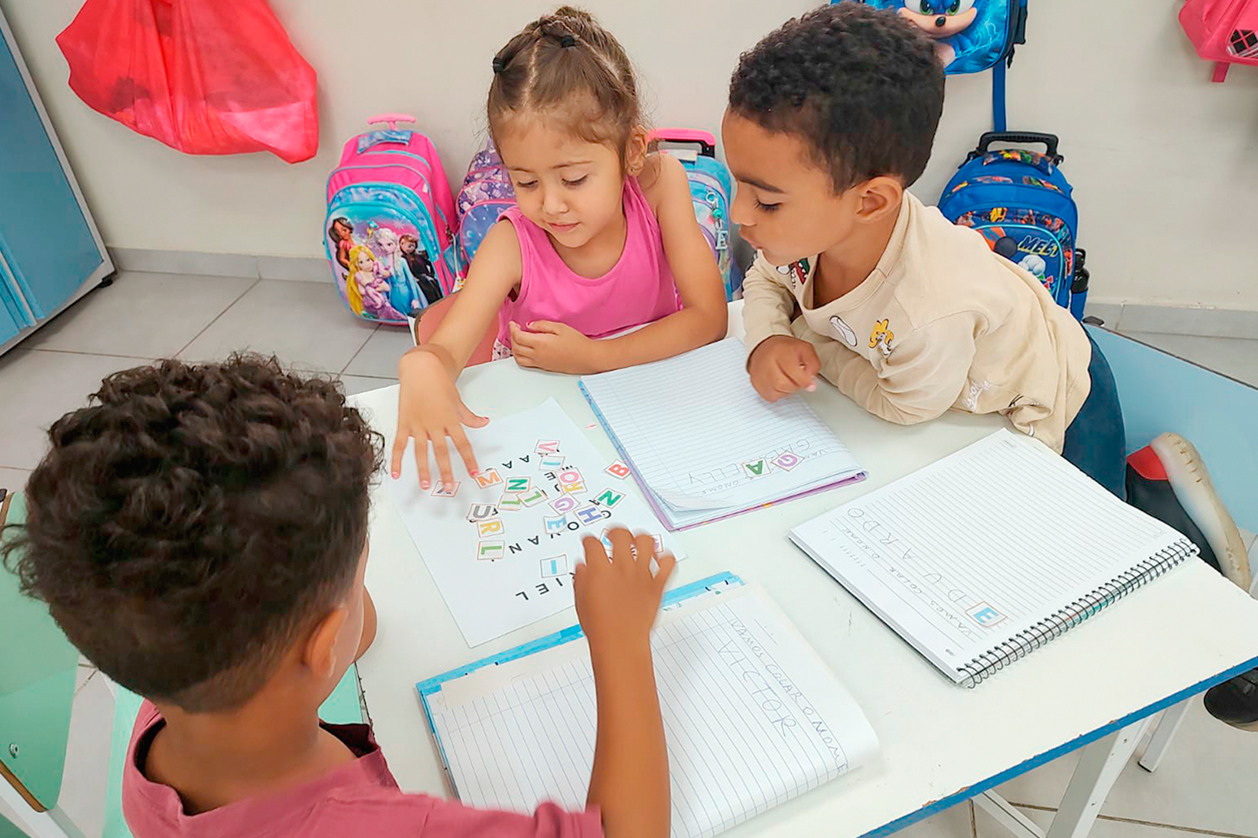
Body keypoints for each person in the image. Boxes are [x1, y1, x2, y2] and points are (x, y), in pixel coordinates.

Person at [1, 356, 675, 838]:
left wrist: (330, 601)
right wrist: (620, 642)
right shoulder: (393, 827)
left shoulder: (168, 706)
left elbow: (359, 629)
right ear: (322, 643)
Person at [727, 3, 1125, 500]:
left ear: (870, 202)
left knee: (1096, 525)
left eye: (766, 201)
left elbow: (905, 404)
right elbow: (766, 278)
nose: (739, 214)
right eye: (739, 185)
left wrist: (806, 339)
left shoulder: (928, 310)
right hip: (953, 374)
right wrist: (769, 338)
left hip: (1061, 394)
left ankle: (1159, 489)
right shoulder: (807, 238)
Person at [393, 6, 727, 492]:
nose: (550, 205)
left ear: (632, 152)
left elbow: (710, 318)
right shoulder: (511, 243)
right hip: (553, 434)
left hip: (650, 406)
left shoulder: (659, 186)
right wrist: (423, 363)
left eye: (573, 179)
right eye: (525, 182)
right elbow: (445, 350)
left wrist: (593, 356)